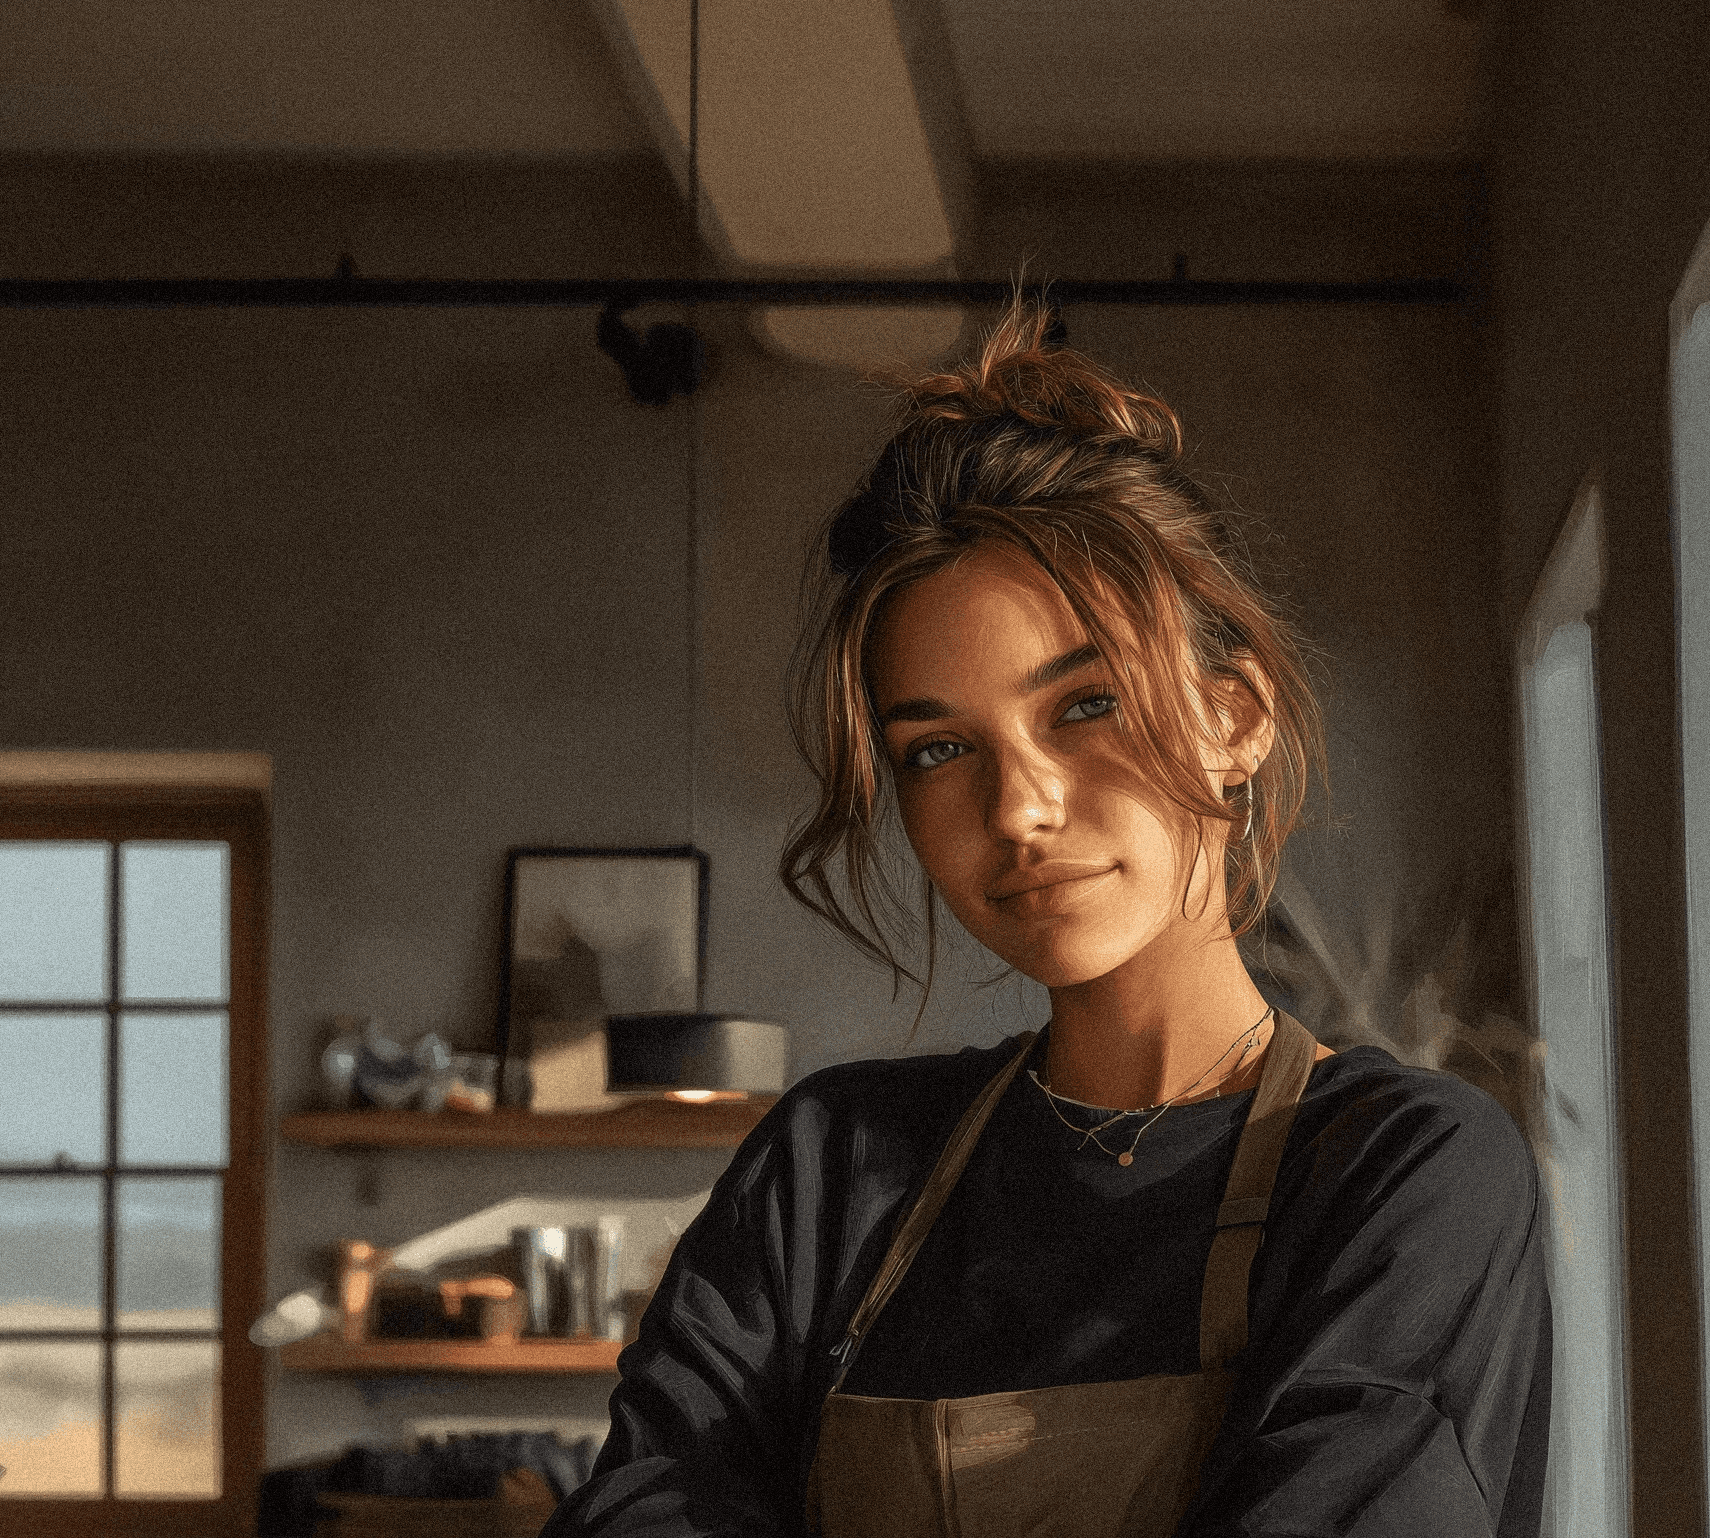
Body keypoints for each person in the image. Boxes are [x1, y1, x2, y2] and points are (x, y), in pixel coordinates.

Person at [543, 301, 1550, 1537]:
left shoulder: (1400, 1173)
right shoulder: (830, 1171)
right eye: (937, 747)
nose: (1015, 805)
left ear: (1233, 721)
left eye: (1083, 707)